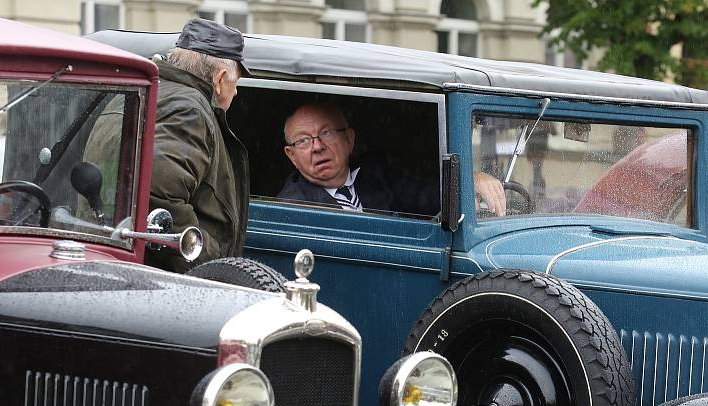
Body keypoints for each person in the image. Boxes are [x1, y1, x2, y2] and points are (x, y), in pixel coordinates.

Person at [143, 18, 251, 273]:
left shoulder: (149, 93)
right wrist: (210, 264)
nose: (235, 93)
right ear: (220, 78)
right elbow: (157, 199)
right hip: (167, 281)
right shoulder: (189, 111)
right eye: (235, 84)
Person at [277, 103, 506, 217]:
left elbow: (427, 197)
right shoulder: (293, 206)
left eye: (327, 133)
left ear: (349, 139)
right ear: (292, 156)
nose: (317, 147)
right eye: (304, 141)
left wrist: (469, 180)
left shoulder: (374, 172)